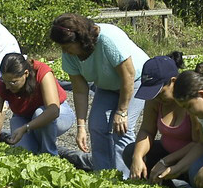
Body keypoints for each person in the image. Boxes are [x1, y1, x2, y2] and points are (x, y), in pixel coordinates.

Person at [50, 13, 149, 178]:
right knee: (96, 126)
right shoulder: (69, 55)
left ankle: (125, 180)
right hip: (107, 85)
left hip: (137, 80)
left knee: (121, 129)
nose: (64, 50)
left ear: (80, 39)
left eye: (67, 46)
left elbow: (128, 76)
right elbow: (80, 91)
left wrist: (122, 111)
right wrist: (81, 127)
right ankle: (103, 177)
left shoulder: (107, 39)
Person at [0, 52, 76, 155]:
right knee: (23, 151)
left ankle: (50, 155)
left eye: (13, 82)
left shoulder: (42, 72)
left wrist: (26, 128)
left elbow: (53, 111)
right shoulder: (2, 85)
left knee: (39, 113)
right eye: (5, 81)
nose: (7, 86)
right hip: (24, 118)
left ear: (26, 73)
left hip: (60, 115)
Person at [123, 52, 196, 183]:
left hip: (191, 156)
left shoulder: (191, 101)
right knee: (130, 152)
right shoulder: (155, 100)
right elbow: (147, 130)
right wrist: (137, 157)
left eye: (160, 93)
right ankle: (164, 186)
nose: (157, 98)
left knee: (197, 171)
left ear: (173, 82)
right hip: (167, 153)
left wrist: (165, 162)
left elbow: (200, 143)